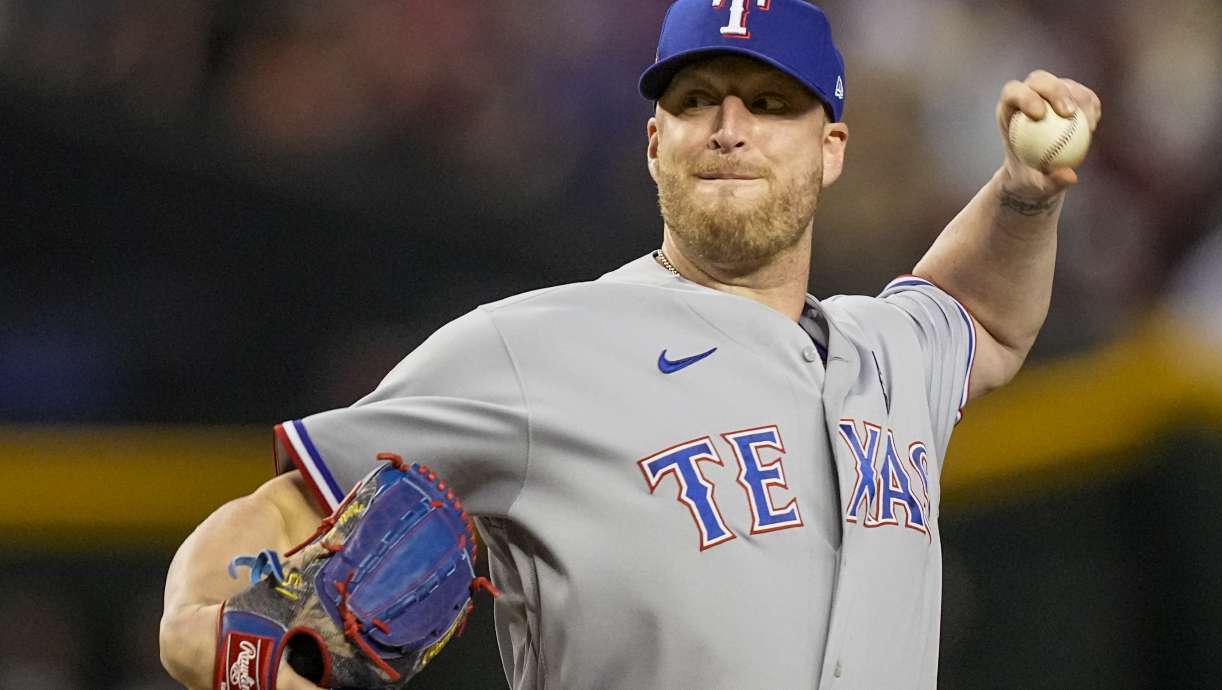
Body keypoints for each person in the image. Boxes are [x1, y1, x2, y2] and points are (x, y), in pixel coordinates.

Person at [160, 0, 1102, 688]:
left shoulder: (888, 350)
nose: (730, 129)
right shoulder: (533, 348)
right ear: (655, 142)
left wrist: (1024, 197)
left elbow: (980, 314)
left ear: (831, 150)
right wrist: (216, 640)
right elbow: (284, 508)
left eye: (770, 104)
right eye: (698, 100)